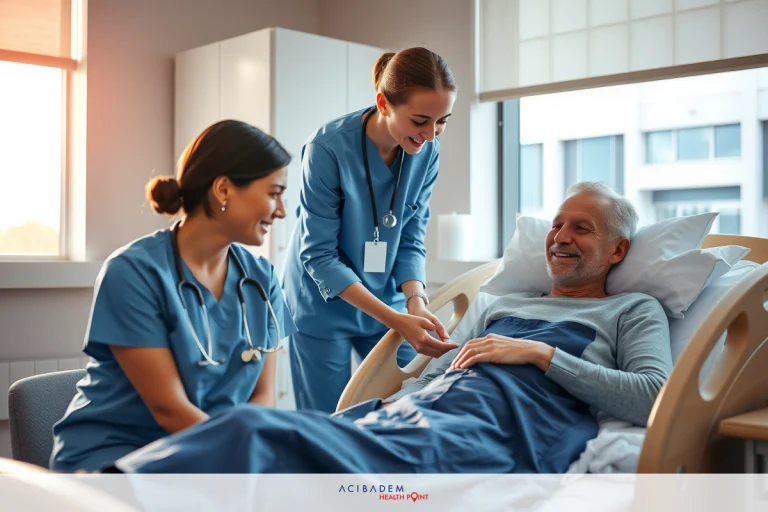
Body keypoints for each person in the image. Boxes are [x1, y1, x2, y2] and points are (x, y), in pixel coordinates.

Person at [104, 181, 673, 475]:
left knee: (255, 433)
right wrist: (390, 406)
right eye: (556, 225)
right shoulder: (504, 306)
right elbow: (443, 378)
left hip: (503, 427)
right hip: (437, 409)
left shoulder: (631, 310)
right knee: (273, 434)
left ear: (619, 248)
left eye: (582, 228)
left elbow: (654, 398)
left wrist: (539, 355)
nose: (560, 237)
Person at [49, 120, 298, 472]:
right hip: (118, 459)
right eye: (274, 193)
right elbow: (169, 409)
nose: (281, 210)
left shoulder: (262, 278)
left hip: (210, 456)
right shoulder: (133, 273)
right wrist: (242, 461)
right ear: (224, 189)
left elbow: (262, 398)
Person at [281, 47, 460, 414]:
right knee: (326, 422)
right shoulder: (327, 149)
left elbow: (411, 236)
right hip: (322, 303)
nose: (430, 134)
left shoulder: (427, 151)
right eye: (420, 120)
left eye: (442, 121)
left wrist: (416, 300)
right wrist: (396, 319)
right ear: (383, 103)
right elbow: (319, 254)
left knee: (408, 404)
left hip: (386, 297)